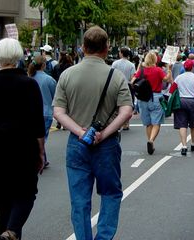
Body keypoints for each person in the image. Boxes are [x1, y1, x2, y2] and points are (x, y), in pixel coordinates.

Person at [53, 26, 133, 240]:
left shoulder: (67, 75)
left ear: (82, 48)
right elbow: (126, 111)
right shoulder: (115, 76)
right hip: (106, 145)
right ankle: (104, 237)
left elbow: (58, 112)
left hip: (77, 143)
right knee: (111, 193)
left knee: (79, 201)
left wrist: (80, 131)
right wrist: (104, 133)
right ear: (107, 49)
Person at [0, 38, 45, 240]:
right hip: (23, 148)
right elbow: (37, 123)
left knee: (1, 199)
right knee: (25, 193)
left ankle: (6, 232)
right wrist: (41, 151)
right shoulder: (29, 85)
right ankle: (12, 230)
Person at [132, 51, 172, 155]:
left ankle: (150, 141)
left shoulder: (141, 71)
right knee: (156, 122)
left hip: (142, 99)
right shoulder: (158, 70)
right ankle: (151, 140)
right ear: (155, 60)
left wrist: (138, 69)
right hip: (155, 97)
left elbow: (133, 81)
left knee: (148, 123)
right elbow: (166, 79)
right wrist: (169, 70)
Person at [169, 59, 194, 156]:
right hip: (193, 102)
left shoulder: (179, 78)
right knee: (193, 125)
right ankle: (193, 143)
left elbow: (171, 90)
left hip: (181, 102)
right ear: (193, 68)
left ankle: (184, 146)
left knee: (182, 124)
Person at [28, 55, 57, 168]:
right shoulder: (49, 80)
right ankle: (41, 159)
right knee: (42, 137)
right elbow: (55, 96)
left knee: (35, 137)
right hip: (46, 112)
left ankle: (43, 158)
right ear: (44, 65)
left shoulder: (29, 78)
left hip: (32, 112)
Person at [112, 47, 136, 130]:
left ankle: (118, 123)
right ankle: (126, 123)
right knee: (127, 104)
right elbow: (133, 77)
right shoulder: (131, 65)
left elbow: (112, 75)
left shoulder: (115, 63)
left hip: (116, 84)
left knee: (117, 104)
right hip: (127, 85)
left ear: (121, 53)